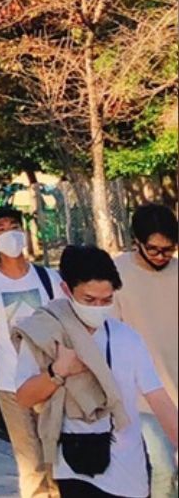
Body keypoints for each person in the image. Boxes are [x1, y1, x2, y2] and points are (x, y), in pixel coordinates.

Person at [15, 245, 179, 498]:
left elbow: (158, 397)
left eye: (107, 300)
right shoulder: (46, 334)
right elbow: (25, 397)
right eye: (89, 300)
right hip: (74, 466)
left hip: (128, 469)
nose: (99, 307)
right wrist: (58, 371)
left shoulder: (127, 338)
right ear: (67, 290)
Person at [0, 205, 64, 498]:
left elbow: (65, 326)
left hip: (50, 381)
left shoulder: (48, 278)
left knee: (58, 461)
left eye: (14, 226)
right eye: (1, 229)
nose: (9, 233)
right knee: (30, 464)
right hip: (10, 385)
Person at [112, 203, 177, 498]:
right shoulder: (116, 275)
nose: (162, 256)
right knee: (163, 468)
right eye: (154, 249)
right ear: (136, 241)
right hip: (142, 396)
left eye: (170, 249)